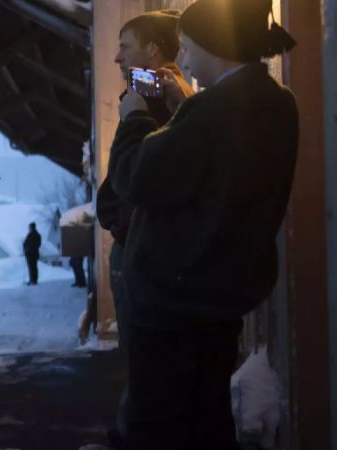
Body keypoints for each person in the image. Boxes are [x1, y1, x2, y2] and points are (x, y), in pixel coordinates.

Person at [109, 0, 298, 448]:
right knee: (204, 421)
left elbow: (137, 177)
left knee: (163, 426)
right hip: (219, 297)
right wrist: (186, 103)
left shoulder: (219, 107)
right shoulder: (276, 101)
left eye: (189, 47)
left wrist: (133, 115)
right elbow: (213, 169)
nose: (184, 60)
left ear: (214, 46)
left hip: (176, 303)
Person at [95, 10, 189, 447]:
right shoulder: (157, 98)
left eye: (126, 47)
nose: (116, 58)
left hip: (144, 248)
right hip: (138, 241)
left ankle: (137, 433)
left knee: (145, 350)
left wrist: (123, 223)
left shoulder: (155, 102)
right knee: (143, 352)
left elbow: (142, 177)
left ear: (152, 52)